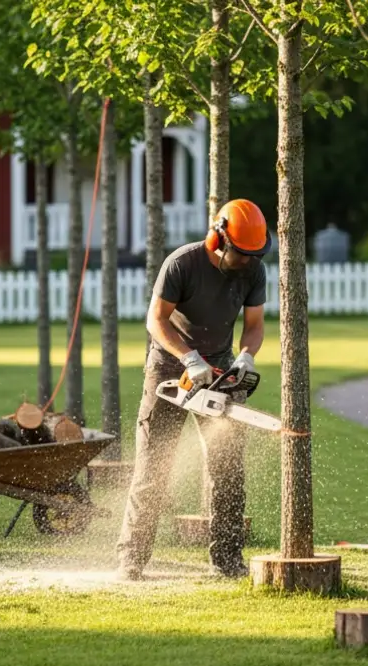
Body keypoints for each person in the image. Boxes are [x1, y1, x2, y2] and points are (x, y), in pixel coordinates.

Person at [115, 199, 272, 580]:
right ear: (218, 239)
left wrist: (246, 356)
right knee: (154, 466)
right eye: (240, 253)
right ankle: (131, 559)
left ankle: (227, 559)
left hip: (220, 368)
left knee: (228, 469)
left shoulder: (253, 270)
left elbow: (254, 324)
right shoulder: (182, 264)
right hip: (171, 368)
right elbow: (156, 320)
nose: (246, 261)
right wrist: (188, 358)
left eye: (252, 255)